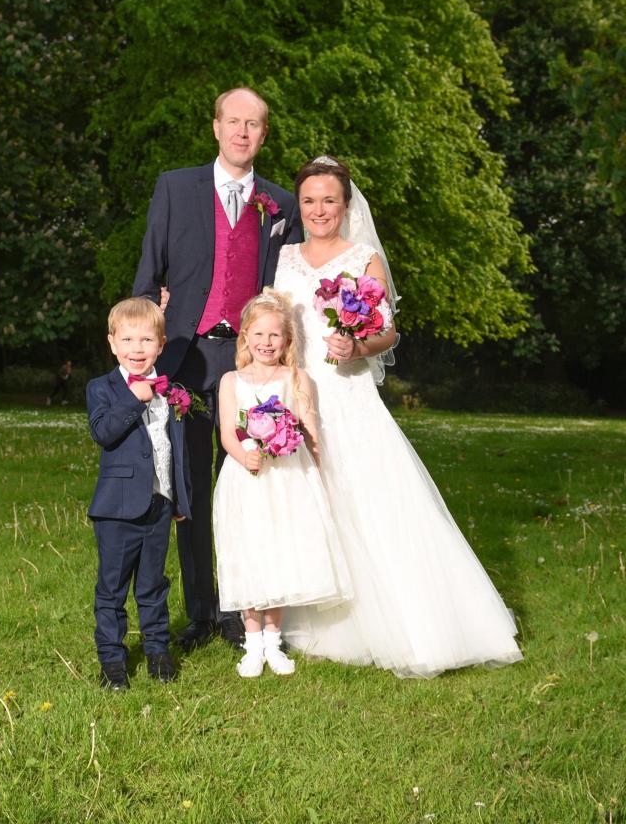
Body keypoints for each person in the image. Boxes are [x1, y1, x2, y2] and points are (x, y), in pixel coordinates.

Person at [274, 156, 523, 677]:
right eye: (310, 200)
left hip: (348, 395)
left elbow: (387, 332)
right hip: (299, 396)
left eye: (329, 201)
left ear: (345, 206)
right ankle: (321, 621)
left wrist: (357, 343)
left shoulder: (364, 260)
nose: (319, 210)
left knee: (373, 503)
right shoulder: (283, 258)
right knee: (312, 502)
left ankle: (416, 625)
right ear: (300, 205)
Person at [132, 87, 303, 652]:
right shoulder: (175, 187)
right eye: (234, 121)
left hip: (250, 366)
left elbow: (289, 292)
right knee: (189, 490)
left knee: (248, 488)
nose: (242, 132)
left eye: (253, 124)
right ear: (216, 127)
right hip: (185, 357)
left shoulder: (280, 203)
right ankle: (202, 613)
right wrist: (142, 357)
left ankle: (242, 611)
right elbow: (147, 274)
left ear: (263, 135)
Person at [213, 291, 351, 678]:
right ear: (245, 338)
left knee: (280, 553)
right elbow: (227, 432)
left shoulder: (297, 378)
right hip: (248, 479)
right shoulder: (231, 381)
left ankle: (274, 641)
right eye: (258, 334)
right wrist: (244, 455)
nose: (266, 343)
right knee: (250, 553)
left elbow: (310, 430)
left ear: (288, 340)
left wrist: (319, 471)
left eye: (275, 336)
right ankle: (251, 642)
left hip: (288, 479)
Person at [86, 297, 191, 690]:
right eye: (127, 340)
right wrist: (135, 398)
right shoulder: (102, 388)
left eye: (146, 339)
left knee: (153, 584)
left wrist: (178, 498)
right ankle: (112, 660)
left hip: (159, 506)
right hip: (116, 511)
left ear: (161, 344)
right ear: (112, 343)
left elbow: (173, 451)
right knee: (111, 588)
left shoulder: (172, 392)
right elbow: (103, 432)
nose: (136, 349)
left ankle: (158, 650)